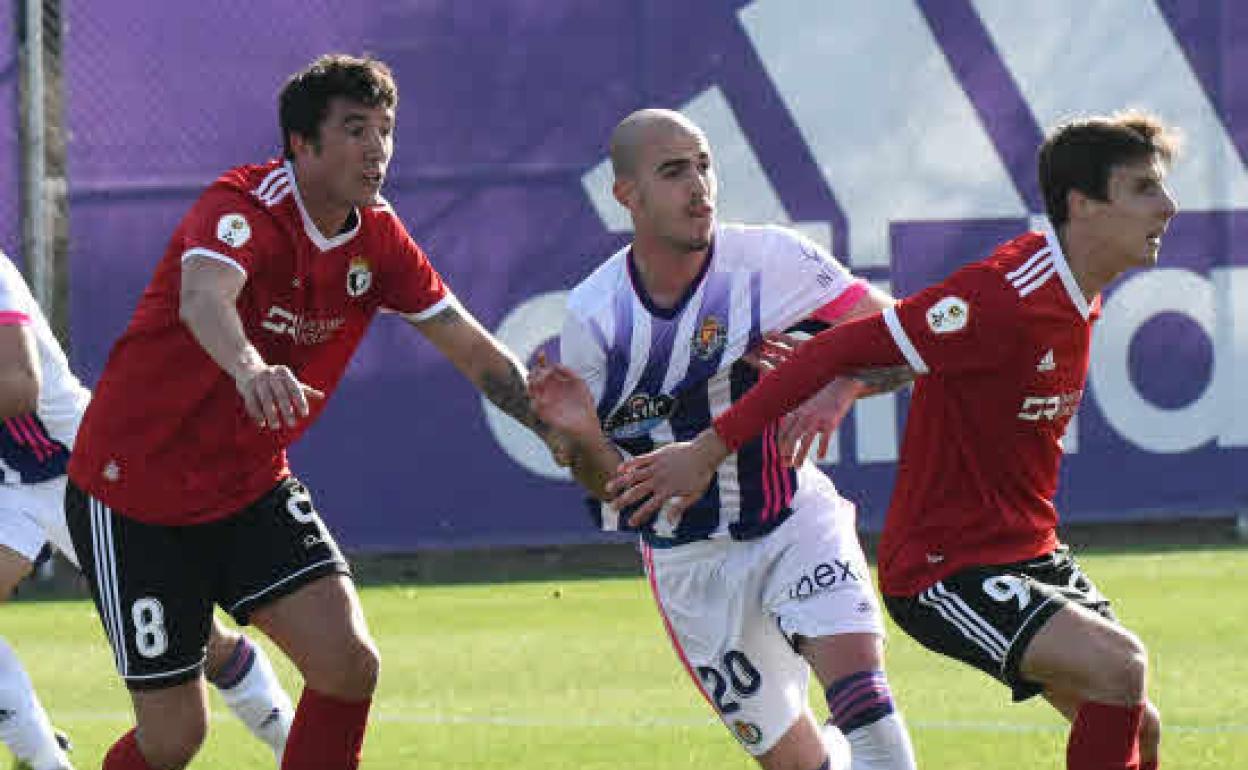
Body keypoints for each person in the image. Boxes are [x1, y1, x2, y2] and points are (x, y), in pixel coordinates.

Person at [610, 111, 1179, 770]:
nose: (1168, 206)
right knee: (1122, 667)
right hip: (947, 566)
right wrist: (707, 451)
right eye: (1143, 189)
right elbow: (838, 345)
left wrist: (849, 385)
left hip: (1028, 550)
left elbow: (900, 355)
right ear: (1082, 205)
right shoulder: (1002, 296)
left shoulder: (1071, 292)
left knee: (1138, 730)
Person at [63, 54, 556, 770]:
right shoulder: (244, 204)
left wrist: (558, 433)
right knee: (174, 739)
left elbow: (474, 350)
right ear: (301, 143)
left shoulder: (379, 240)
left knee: (349, 663)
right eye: (355, 129)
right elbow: (204, 296)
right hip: (134, 496)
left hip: (247, 487)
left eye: (385, 130)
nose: (377, 148)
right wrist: (250, 367)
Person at [528, 108, 917, 770]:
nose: (698, 187)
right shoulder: (595, 318)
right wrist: (586, 439)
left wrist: (842, 382)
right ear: (628, 195)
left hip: (793, 518)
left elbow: (908, 337)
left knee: (864, 704)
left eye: (704, 166)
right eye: (674, 172)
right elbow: (614, 490)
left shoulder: (768, 259)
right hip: (690, 564)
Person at [0, 250, 295, 769]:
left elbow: (21, 385)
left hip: (88, 470)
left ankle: (293, 745)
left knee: (196, 641)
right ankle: (46, 761)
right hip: (10, 485)